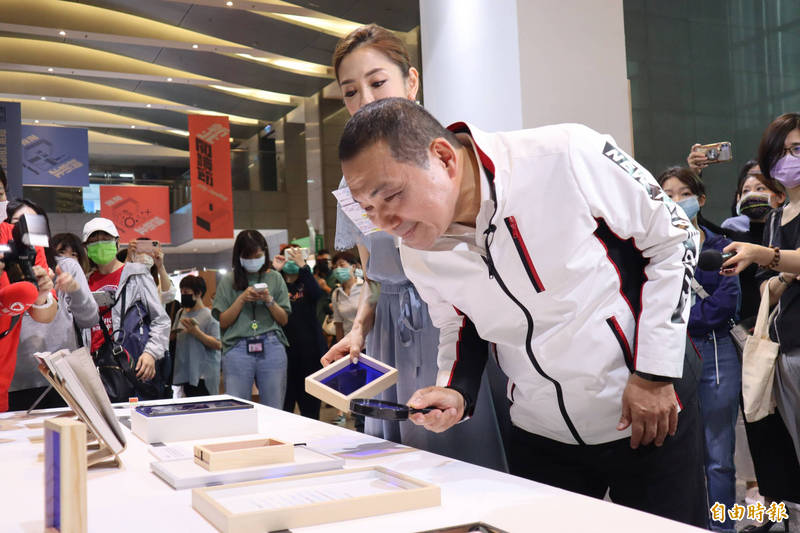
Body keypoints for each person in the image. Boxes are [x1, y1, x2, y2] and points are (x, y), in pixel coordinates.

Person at [339, 97, 706, 527]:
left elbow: (673, 240)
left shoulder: (565, 154)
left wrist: (655, 374)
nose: (386, 221)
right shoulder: (419, 250)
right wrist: (455, 388)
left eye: (392, 196)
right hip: (539, 429)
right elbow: (458, 320)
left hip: (647, 410)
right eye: (368, 209)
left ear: (442, 157)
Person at [323, 24, 507, 471]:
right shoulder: (352, 184)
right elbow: (373, 277)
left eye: (377, 81)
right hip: (391, 328)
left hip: (458, 317)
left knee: (466, 445)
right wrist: (359, 328)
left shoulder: (445, 154)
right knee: (403, 455)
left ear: (412, 81)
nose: (364, 99)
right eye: (350, 91)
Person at [720, 113, 800, 530]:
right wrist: (775, 271)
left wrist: (764, 257)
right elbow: (772, 279)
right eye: (780, 153)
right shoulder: (777, 215)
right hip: (783, 348)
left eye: (797, 150)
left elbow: (778, 265)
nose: (789, 160)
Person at [658, 167, 741, 532]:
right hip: (669, 356)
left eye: (683, 193)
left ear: (700, 199)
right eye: (668, 194)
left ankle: (722, 526)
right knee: (678, 453)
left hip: (715, 351)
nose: (676, 201)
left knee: (719, 455)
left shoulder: (720, 246)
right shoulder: (655, 249)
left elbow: (723, 306)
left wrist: (676, 317)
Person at [10, 223, 99, 412]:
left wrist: (75, 291)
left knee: (68, 438)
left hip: (62, 377)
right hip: (15, 379)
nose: (23, 228)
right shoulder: (7, 267)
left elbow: (89, 319)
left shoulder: (66, 267)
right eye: (16, 221)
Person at [83, 217, 170, 399]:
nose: (100, 245)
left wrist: (151, 353)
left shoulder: (137, 275)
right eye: (93, 241)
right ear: (86, 248)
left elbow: (160, 319)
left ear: (116, 242)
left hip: (129, 363)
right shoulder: (84, 282)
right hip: (93, 368)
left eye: (105, 239)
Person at [212, 230, 290, 408]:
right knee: (237, 407)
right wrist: (241, 299)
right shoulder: (229, 281)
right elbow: (223, 321)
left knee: (274, 406)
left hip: (271, 345)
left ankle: (272, 436)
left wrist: (269, 300)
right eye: (248, 256)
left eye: (258, 256)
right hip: (237, 348)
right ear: (239, 257)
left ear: (265, 253)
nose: (254, 260)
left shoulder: (275, 278)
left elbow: (284, 319)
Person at [0, 198, 57, 412]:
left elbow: (45, 314)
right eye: (19, 221)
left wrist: (41, 295)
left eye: (32, 222)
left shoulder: (32, 248)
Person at [274, 245, 325, 419]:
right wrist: (275, 272)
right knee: (284, 407)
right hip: (284, 353)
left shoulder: (306, 282)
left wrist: (303, 267)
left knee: (310, 408)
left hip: (310, 354)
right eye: (289, 255)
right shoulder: (278, 283)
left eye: (297, 254)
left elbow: (317, 294)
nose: (293, 258)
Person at [171, 275, 221, 397]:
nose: (183, 295)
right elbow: (173, 337)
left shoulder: (210, 316)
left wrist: (196, 333)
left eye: (187, 292)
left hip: (204, 374)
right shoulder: (180, 313)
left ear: (198, 293)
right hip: (185, 372)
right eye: (182, 292)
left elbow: (218, 344)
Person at [330, 251, 363, 342]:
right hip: (348, 343)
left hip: (367, 343)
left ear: (353, 267)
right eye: (335, 267)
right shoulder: (336, 293)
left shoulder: (364, 287)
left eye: (342, 265)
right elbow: (338, 324)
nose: (338, 269)